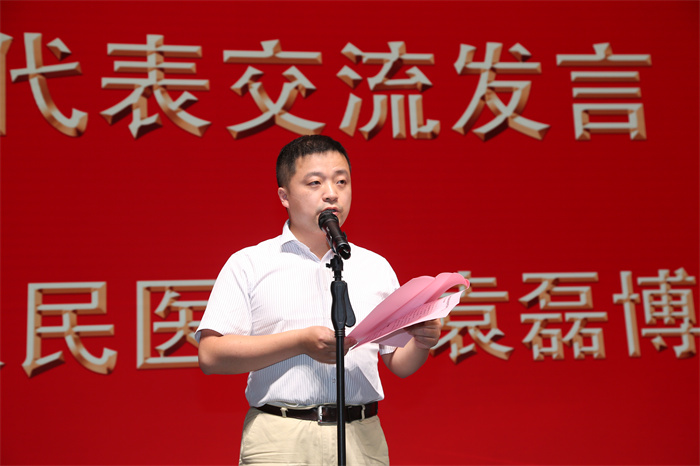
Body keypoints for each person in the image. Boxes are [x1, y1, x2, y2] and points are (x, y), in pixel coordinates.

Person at [196, 134, 442, 465]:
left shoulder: (375, 266)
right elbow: (211, 355)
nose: (332, 193)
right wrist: (300, 342)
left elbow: (398, 363)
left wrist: (422, 341)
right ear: (284, 196)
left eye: (342, 181)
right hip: (280, 435)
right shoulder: (250, 263)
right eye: (315, 182)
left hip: (361, 434)